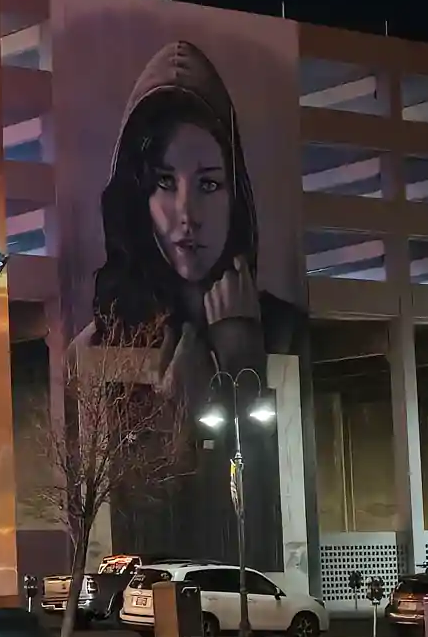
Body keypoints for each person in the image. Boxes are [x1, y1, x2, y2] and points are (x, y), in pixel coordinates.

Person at [78, 40, 299, 563]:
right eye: (163, 183)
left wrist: (242, 361)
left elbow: (276, 508)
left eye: (208, 184)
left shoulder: (286, 330)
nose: (186, 214)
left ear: (235, 192)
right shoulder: (96, 344)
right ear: (137, 194)